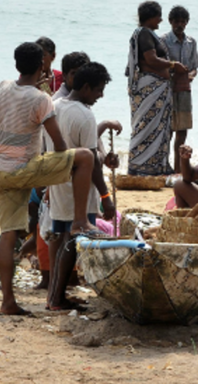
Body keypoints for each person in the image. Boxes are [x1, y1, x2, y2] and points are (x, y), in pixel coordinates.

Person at [0, 42, 97, 315]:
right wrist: (61, 167)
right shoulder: (41, 98)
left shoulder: (2, 87)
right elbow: (58, 142)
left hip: (2, 173)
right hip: (25, 169)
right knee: (85, 158)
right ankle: (79, 221)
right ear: (43, 65)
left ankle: (8, 301)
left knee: (7, 235)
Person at [47, 62, 121, 311]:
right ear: (86, 87)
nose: (100, 96)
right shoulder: (85, 115)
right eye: (99, 90)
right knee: (73, 239)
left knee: (65, 239)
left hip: (58, 184)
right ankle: (57, 299)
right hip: (78, 189)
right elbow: (92, 163)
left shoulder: (55, 106)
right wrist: (106, 197)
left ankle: (54, 297)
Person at [126, 1, 186, 176]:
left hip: (158, 89)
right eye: (158, 16)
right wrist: (174, 65)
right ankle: (141, 166)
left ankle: (156, 166)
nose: (160, 20)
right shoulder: (144, 33)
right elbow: (151, 59)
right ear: (151, 17)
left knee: (157, 128)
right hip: (150, 89)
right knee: (146, 127)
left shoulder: (148, 34)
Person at [162, 5, 198, 173]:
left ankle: (179, 169)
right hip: (168, 89)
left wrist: (190, 75)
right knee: (167, 131)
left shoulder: (191, 43)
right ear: (170, 22)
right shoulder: (163, 40)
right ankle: (165, 166)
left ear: (187, 22)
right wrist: (173, 71)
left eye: (182, 21)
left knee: (182, 130)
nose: (179, 24)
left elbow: (194, 67)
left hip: (185, 90)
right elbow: (160, 65)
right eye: (176, 21)